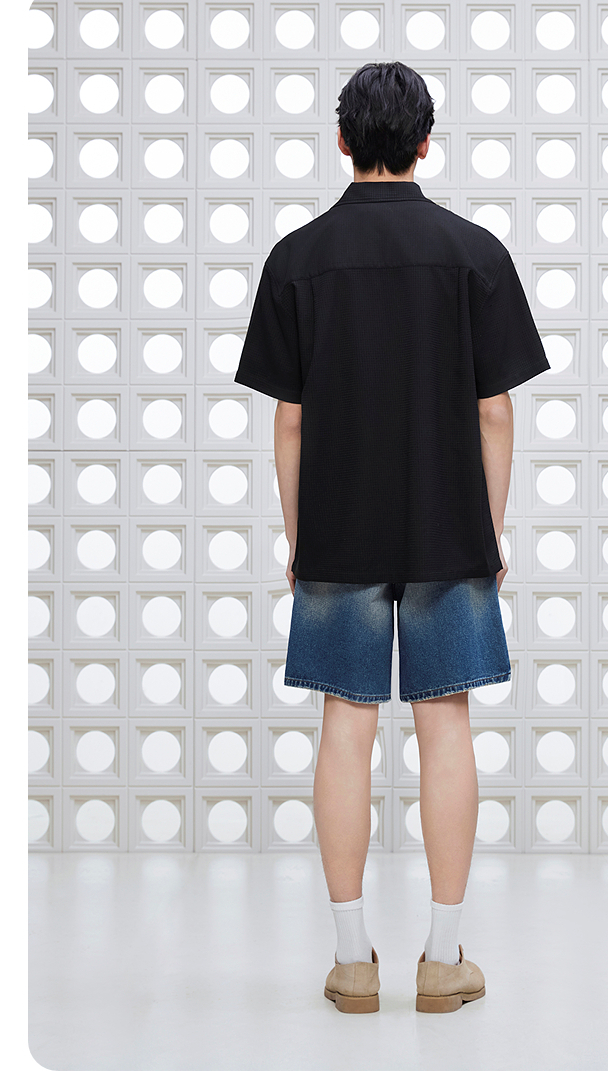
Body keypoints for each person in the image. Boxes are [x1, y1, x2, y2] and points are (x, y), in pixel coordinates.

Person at [234, 61, 550, 1013]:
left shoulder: (297, 258)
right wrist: (490, 530)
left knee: (346, 727)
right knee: (446, 724)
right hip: (452, 528)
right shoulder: (475, 253)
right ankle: (444, 959)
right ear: (424, 142)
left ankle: (349, 960)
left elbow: (289, 421)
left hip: (338, 531)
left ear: (342, 141)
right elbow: (495, 410)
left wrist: (299, 537)